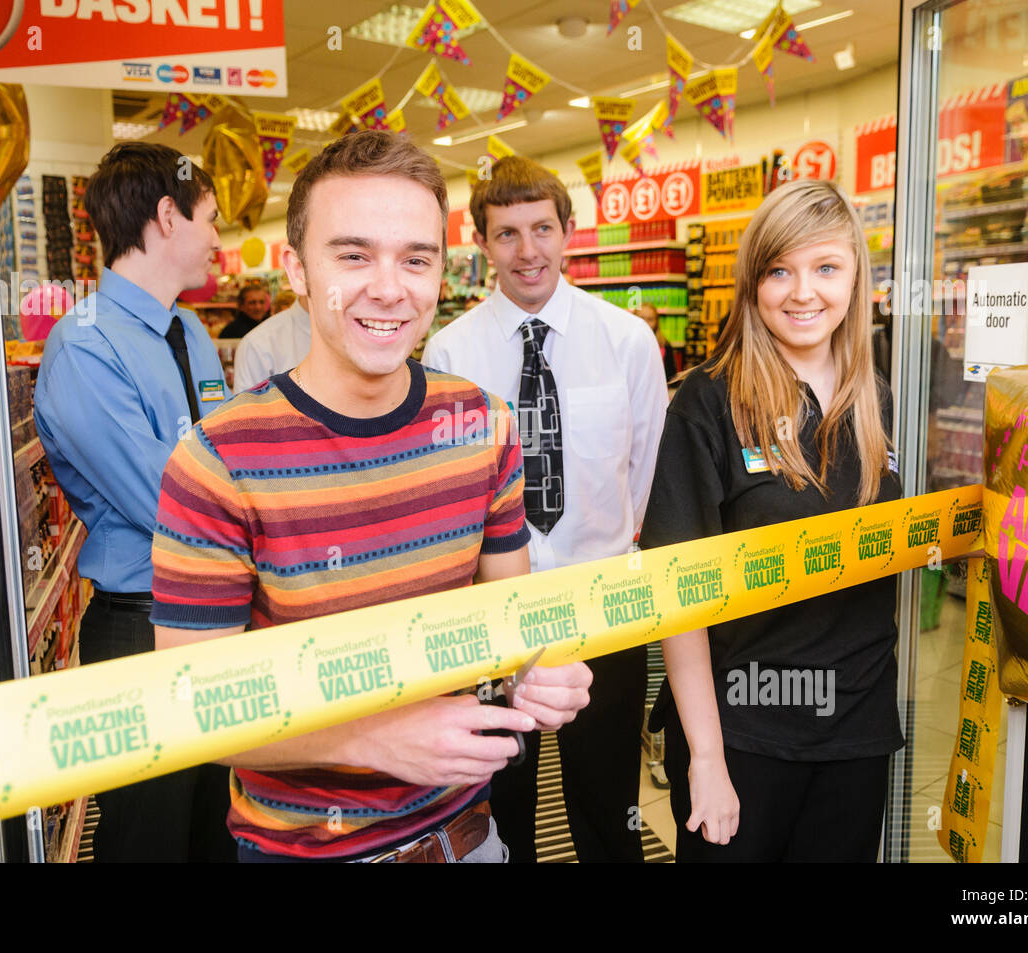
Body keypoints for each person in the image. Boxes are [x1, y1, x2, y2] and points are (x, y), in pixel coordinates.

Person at [149, 130, 593, 863]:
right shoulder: (216, 460)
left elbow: (511, 623)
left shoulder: (484, 426)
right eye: (353, 255)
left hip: (470, 840)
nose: (389, 288)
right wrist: (376, 737)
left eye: (415, 259)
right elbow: (192, 705)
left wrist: (538, 671)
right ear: (295, 269)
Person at [639, 178, 902, 862]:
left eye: (825, 268)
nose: (802, 291)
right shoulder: (706, 404)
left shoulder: (875, 402)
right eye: (779, 270)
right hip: (745, 732)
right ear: (753, 283)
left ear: (854, 277)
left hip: (857, 727)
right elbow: (679, 594)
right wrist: (705, 757)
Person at [422, 156, 668, 863]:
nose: (526, 251)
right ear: (482, 244)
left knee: (608, 802)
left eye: (541, 229)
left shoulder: (626, 341)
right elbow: (449, 491)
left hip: (605, 610)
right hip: (494, 620)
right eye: (506, 234)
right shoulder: (449, 351)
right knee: (505, 806)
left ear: (568, 232)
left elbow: (648, 470)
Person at [33, 141, 235, 862]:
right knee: (147, 842)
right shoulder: (83, 348)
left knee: (220, 830)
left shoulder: (192, 333)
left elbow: (229, 458)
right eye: (211, 218)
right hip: (140, 631)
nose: (219, 238)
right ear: (167, 215)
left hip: (218, 625)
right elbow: (172, 500)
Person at [232, 288, 310, 391]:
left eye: (261, 302)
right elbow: (247, 404)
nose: (258, 307)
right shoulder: (258, 342)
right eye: (252, 303)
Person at [633, 303, 680, 381]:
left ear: (656, 322)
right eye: (642, 318)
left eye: (650, 319)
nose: (645, 323)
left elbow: (671, 376)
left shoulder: (665, 345)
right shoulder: (626, 343)